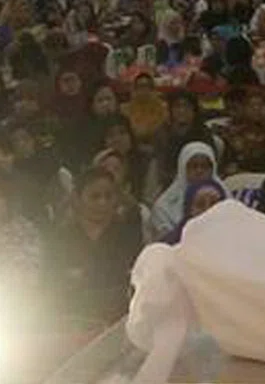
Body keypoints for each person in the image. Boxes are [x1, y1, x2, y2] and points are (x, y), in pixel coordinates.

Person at [43, 167, 146, 332]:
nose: (102, 203)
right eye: (94, 196)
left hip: (121, 324)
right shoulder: (60, 238)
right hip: (71, 323)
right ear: (77, 199)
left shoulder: (128, 236)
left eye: (108, 196)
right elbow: (49, 282)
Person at [151, 141, 220, 238]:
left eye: (205, 166)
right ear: (182, 168)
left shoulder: (224, 198)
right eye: (193, 166)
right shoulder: (164, 207)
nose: (199, 171)